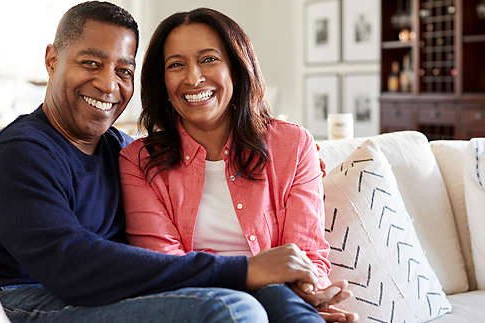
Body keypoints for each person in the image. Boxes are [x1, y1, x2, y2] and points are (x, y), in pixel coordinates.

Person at [0, 2, 343, 322]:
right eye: (91, 63)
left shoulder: (120, 150)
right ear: (52, 59)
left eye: (124, 70)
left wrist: (296, 302)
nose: (109, 84)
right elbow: (71, 266)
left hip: (98, 295)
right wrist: (243, 270)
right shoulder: (21, 151)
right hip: (19, 300)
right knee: (231, 308)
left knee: (274, 298)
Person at [119, 8, 358, 323]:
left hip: (281, 298)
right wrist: (255, 275)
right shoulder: (138, 161)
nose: (193, 78)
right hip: (202, 306)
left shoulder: (293, 145)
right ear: (161, 81)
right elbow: (165, 266)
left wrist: (310, 293)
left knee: (278, 297)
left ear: (236, 66)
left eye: (209, 59)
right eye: (176, 65)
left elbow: (306, 253)